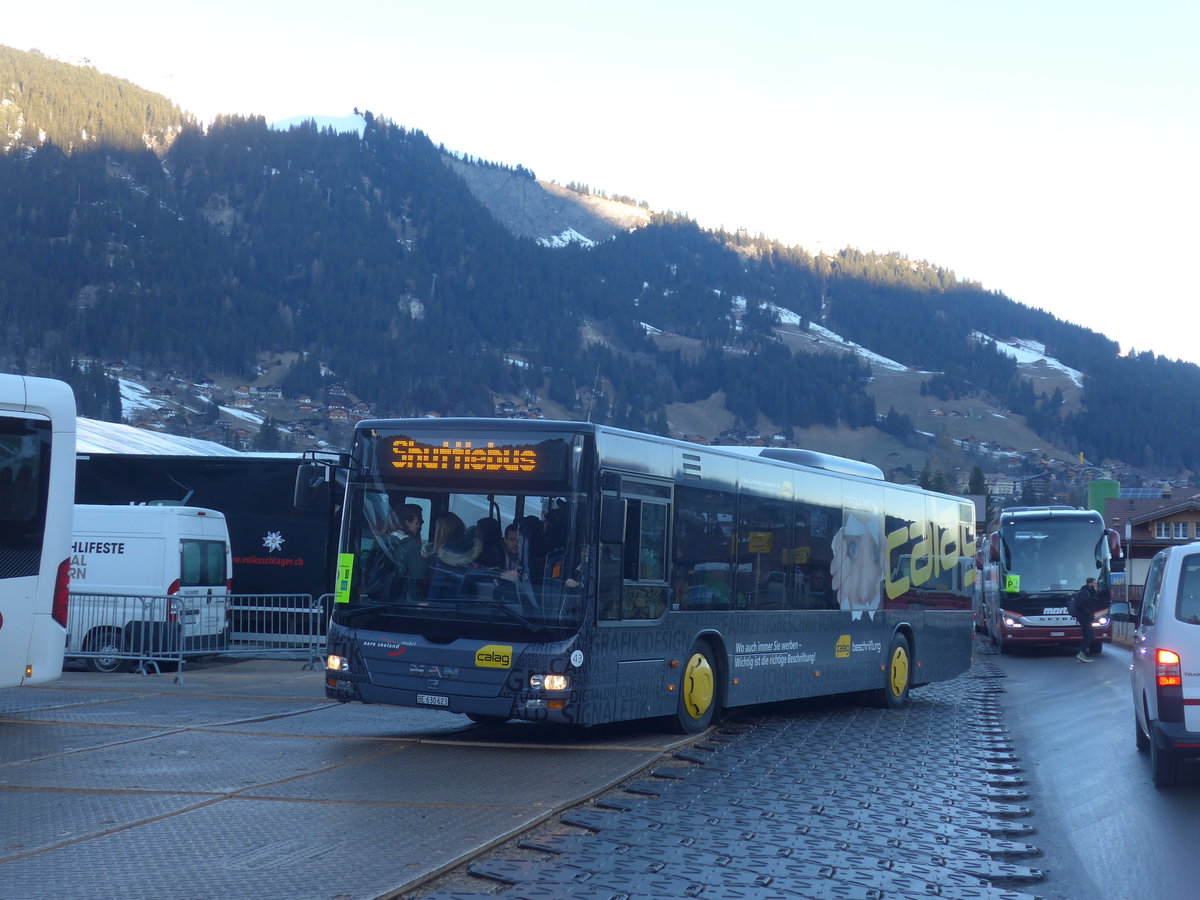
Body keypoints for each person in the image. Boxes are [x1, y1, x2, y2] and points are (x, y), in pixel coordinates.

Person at [363, 504, 426, 603]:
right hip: (400, 599)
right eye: (417, 523)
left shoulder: (381, 541)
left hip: (376, 597)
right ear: (407, 523)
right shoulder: (412, 545)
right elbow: (417, 574)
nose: (419, 526)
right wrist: (424, 559)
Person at [427, 512, 482, 599]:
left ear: (441, 531)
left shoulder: (440, 556)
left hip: (444, 607)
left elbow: (436, 588)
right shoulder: (477, 549)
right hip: (470, 605)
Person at [1071, 576, 1101, 662]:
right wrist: (1088, 613)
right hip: (1084, 618)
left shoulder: (1089, 591)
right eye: (1095, 583)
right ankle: (1082, 653)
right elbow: (1080, 605)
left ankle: (1081, 657)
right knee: (1091, 635)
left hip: (1085, 617)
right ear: (1090, 583)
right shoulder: (1084, 592)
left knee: (1086, 635)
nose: (1096, 584)